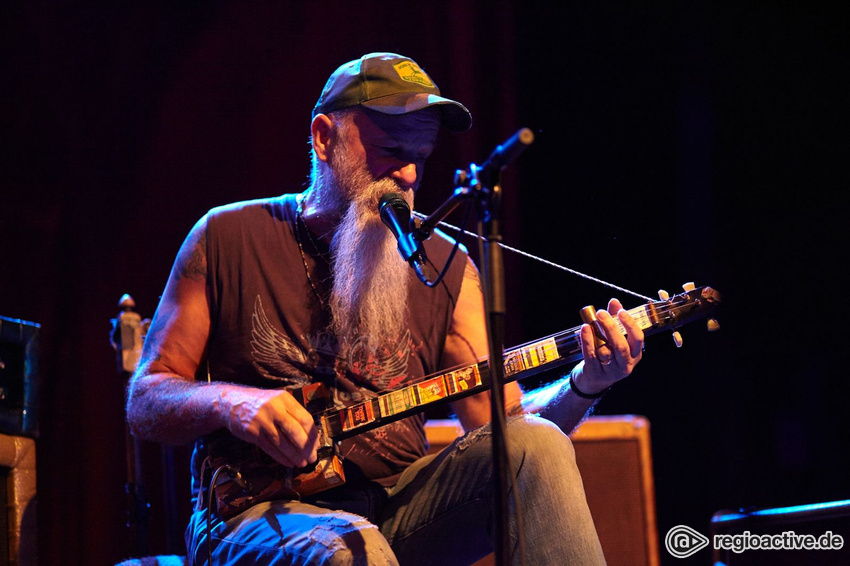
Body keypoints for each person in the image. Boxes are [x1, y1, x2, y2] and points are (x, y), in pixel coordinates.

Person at [126, 52, 645, 565]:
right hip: (254, 514)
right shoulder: (226, 236)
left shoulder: (446, 266)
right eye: (391, 150)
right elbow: (146, 400)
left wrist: (585, 382)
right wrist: (234, 404)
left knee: (538, 446)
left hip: (400, 512)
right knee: (352, 549)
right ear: (324, 138)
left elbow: (506, 425)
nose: (409, 175)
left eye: (421, 155)